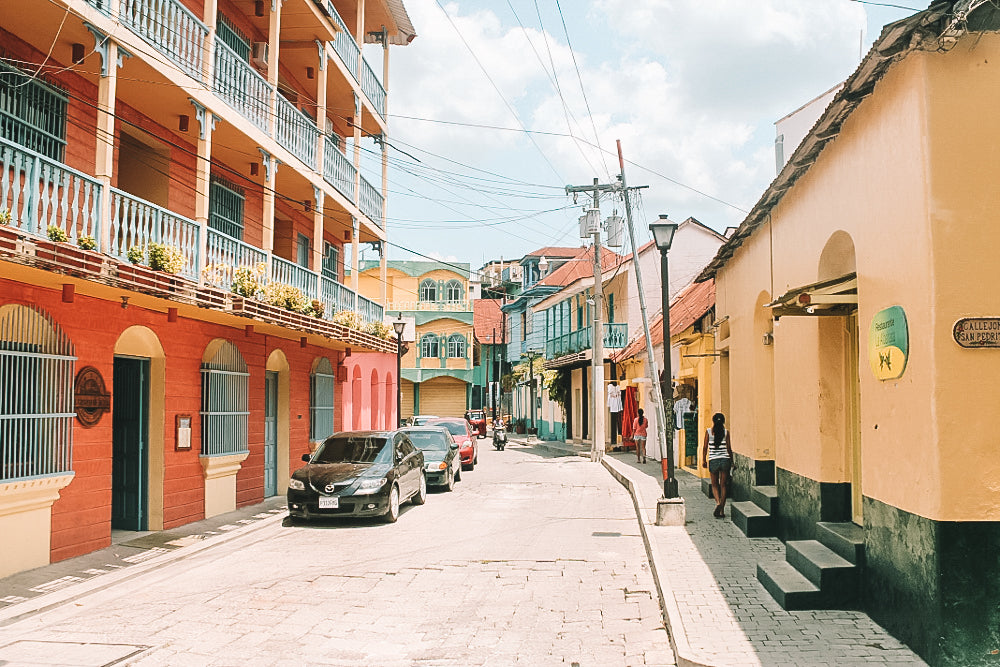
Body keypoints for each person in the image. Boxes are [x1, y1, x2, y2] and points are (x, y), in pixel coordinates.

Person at [702, 412, 733, 518]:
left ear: (713, 421)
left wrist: (704, 460)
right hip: (725, 460)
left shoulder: (709, 432)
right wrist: (732, 462)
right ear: (723, 421)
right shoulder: (726, 432)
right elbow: (729, 448)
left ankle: (718, 503)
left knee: (714, 485)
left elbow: (705, 447)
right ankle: (722, 511)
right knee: (723, 485)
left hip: (713, 460)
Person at [607, 381, 623, 447]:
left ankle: (616, 437)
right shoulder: (610, 387)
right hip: (614, 401)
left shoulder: (617, 387)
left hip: (616, 401)